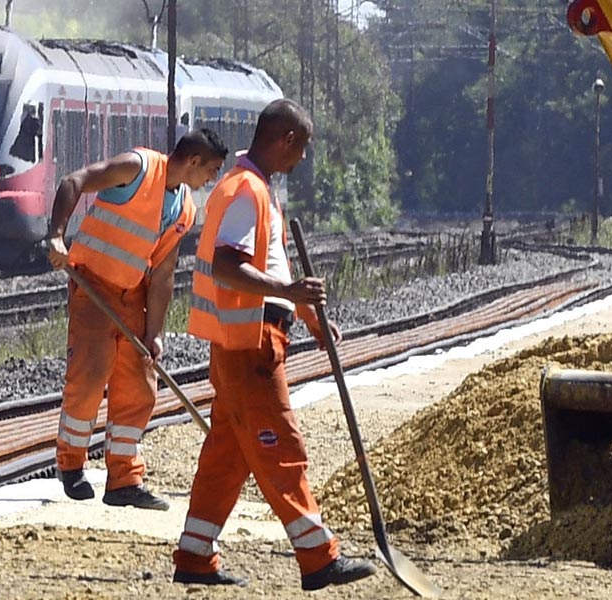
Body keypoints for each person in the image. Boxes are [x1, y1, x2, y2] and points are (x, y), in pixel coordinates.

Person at [172, 99, 377, 590]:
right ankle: (318, 556)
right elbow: (228, 264)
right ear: (285, 139)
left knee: (228, 455)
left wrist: (305, 314)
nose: (302, 159)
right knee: (281, 446)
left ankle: (195, 556)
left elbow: (272, 264)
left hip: (237, 345)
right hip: (251, 346)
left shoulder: (253, 187)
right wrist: (288, 295)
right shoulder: (247, 191)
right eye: (301, 147)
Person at [46, 129, 229, 510]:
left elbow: (162, 275)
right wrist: (57, 236)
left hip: (133, 295)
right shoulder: (137, 168)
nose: (211, 179)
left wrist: (154, 333)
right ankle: (71, 464)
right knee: (91, 374)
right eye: (211, 170)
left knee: (138, 385)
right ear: (194, 161)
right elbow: (73, 182)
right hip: (93, 284)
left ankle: (124, 479)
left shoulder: (184, 209)